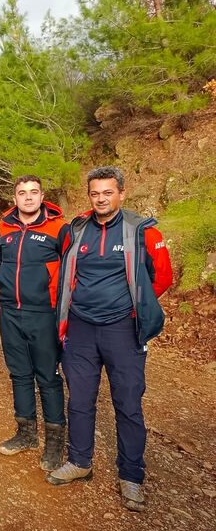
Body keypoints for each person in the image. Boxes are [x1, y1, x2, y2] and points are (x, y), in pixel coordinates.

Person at [47, 166, 173, 513]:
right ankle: (80, 461)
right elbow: (65, 273)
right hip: (80, 329)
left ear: (121, 193)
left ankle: (131, 476)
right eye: (95, 193)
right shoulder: (77, 230)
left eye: (107, 192)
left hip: (123, 331)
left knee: (128, 404)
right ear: (89, 195)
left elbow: (162, 277)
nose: (101, 199)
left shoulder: (142, 231)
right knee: (80, 400)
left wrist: (134, 308)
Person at [0, 175, 69, 471]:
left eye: (33, 192)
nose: (28, 197)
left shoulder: (59, 228)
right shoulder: (3, 227)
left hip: (44, 313)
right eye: (22, 193)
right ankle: (26, 433)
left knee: (47, 376)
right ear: (14, 198)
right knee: (19, 373)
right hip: (10, 312)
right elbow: (0, 261)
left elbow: (71, 270)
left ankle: (54, 442)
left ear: (42, 196)